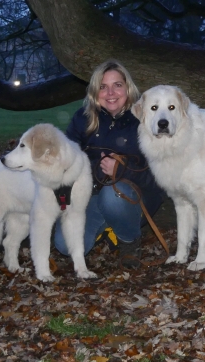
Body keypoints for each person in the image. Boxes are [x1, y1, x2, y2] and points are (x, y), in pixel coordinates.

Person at [54, 59, 165, 269]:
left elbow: (161, 177)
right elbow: (65, 163)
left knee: (113, 195)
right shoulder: (83, 118)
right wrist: (97, 168)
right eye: (103, 87)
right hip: (92, 195)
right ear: (95, 92)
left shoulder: (147, 119)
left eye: (117, 85)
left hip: (136, 198)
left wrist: (122, 170)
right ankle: (108, 226)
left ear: (128, 87)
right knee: (64, 245)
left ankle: (128, 241)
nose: (111, 93)